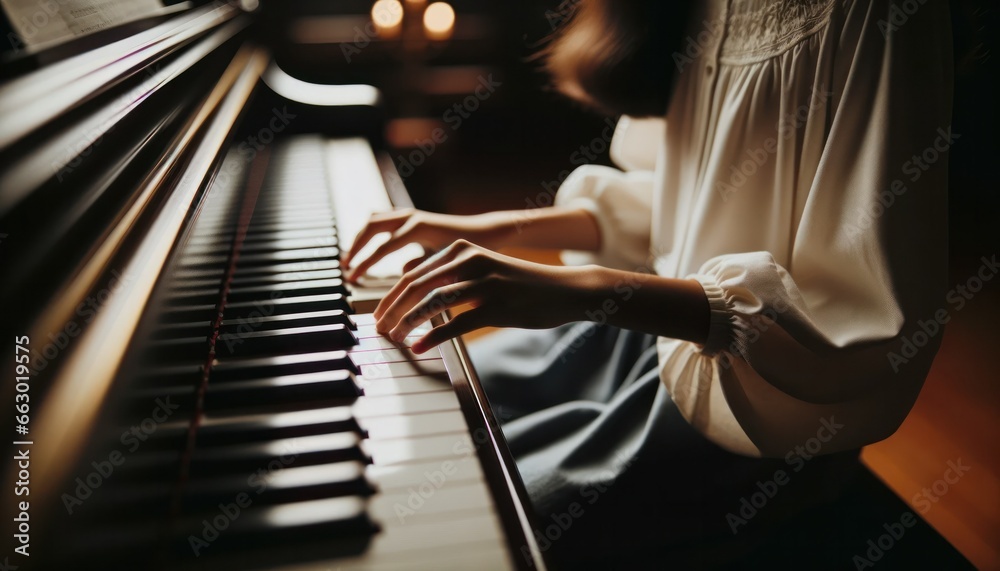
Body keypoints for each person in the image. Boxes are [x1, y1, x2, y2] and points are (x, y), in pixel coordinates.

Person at [343, 0, 953, 566]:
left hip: (747, 409)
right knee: (407, 430)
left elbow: (855, 321)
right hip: (633, 342)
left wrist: (581, 290)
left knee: (449, 529)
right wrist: (495, 227)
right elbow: (687, 205)